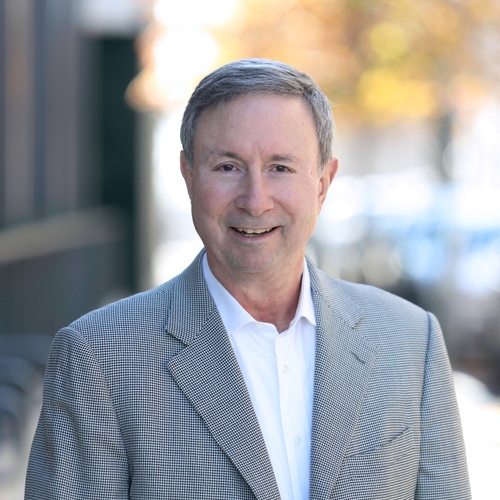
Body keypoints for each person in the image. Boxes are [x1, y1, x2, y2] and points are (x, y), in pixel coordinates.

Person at [25, 59, 471, 500]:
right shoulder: (98, 358)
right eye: (227, 167)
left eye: (281, 167)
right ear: (189, 176)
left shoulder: (412, 341)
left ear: (323, 183)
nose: (255, 201)